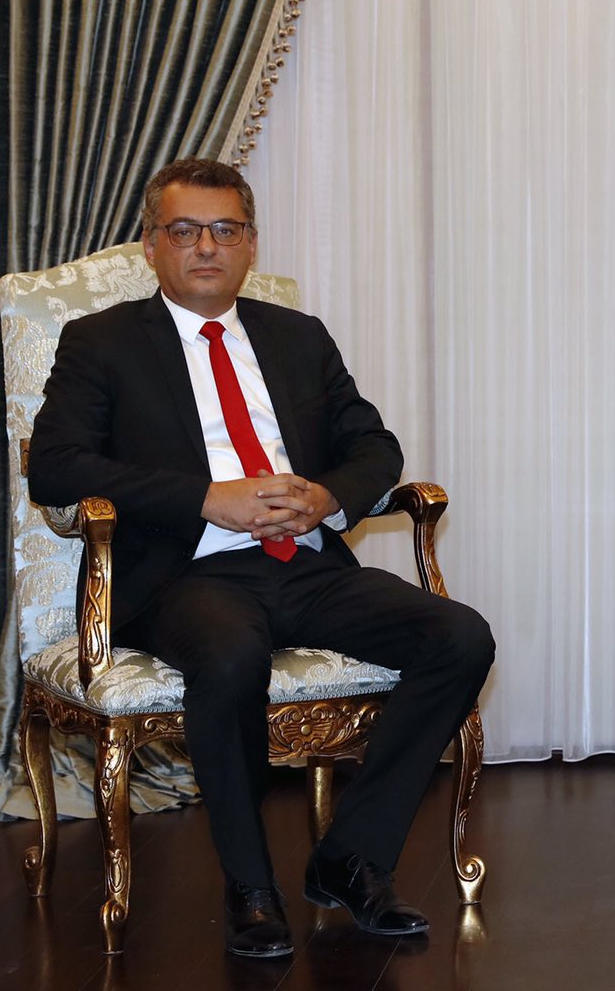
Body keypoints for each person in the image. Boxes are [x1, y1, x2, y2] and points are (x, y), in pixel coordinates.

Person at [28, 158, 496, 959]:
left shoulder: (297, 336)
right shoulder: (102, 342)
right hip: (186, 574)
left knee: (460, 636)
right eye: (185, 230)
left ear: (250, 243)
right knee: (231, 654)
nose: (207, 246)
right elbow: (56, 467)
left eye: (226, 229)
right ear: (151, 244)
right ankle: (251, 886)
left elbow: (374, 445)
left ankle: (352, 859)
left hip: (306, 565)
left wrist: (325, 497)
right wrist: (206, 498)